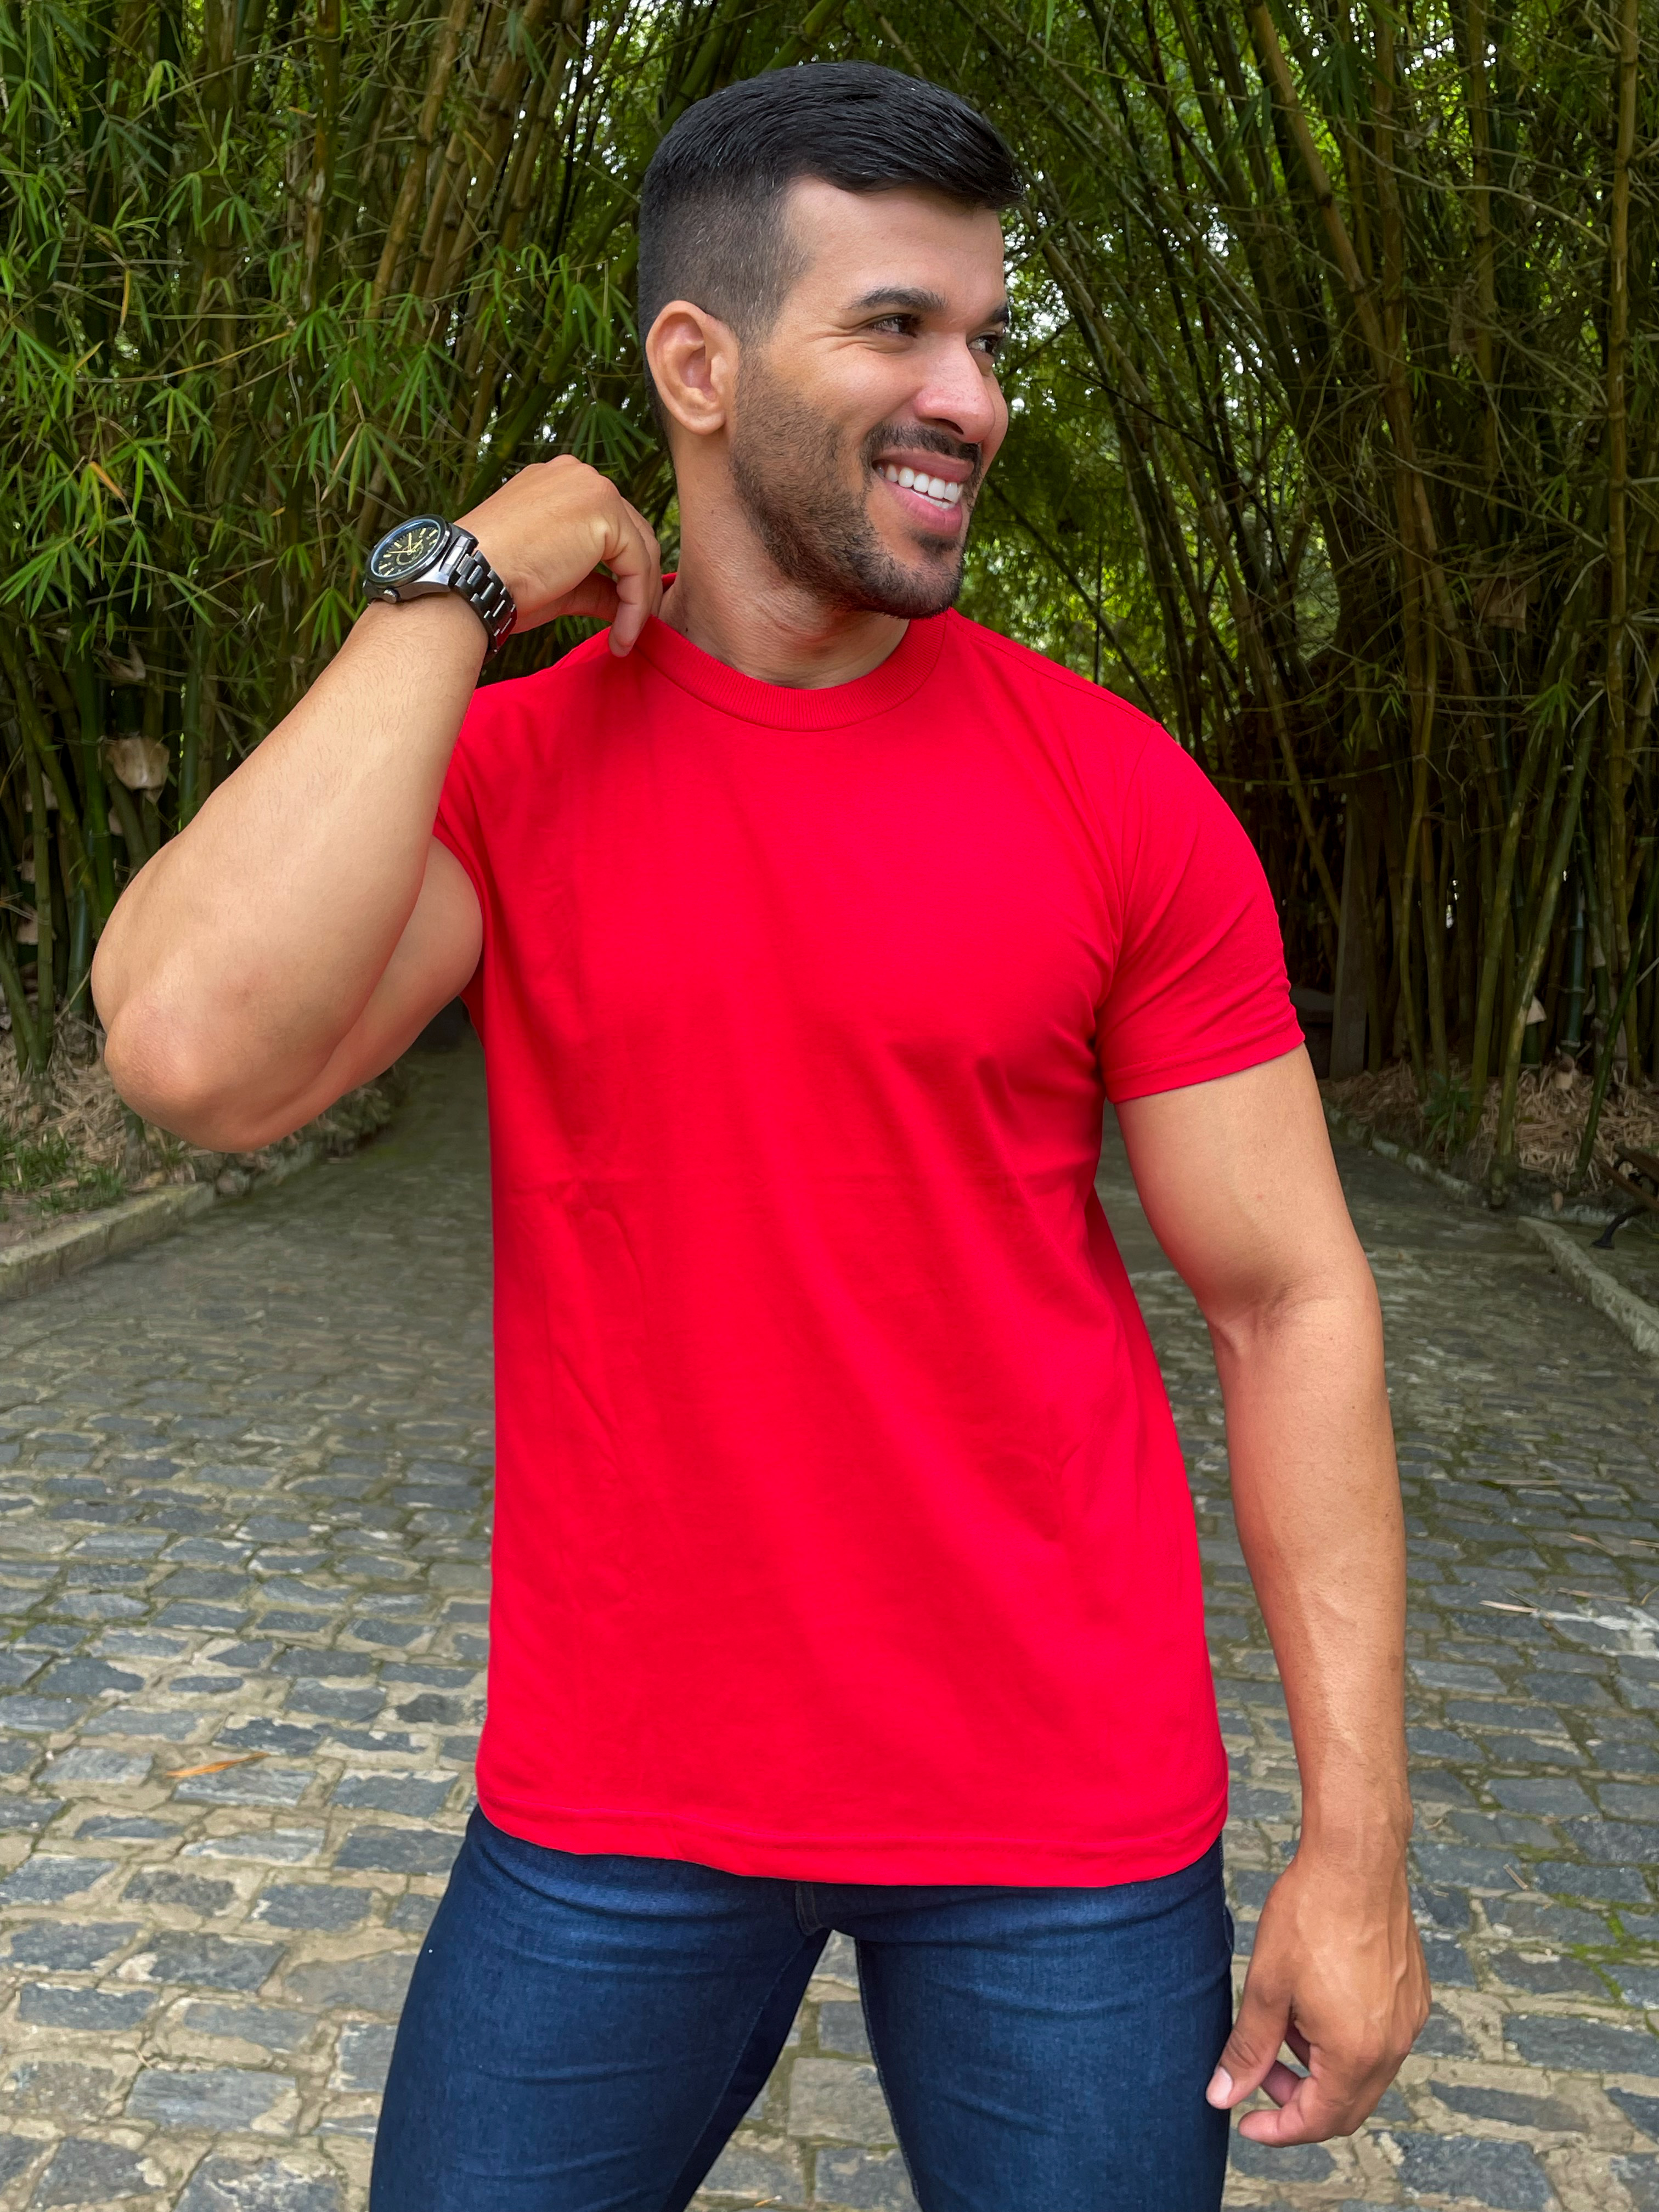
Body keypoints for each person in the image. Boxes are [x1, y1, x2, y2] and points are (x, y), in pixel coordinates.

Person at [93, 59, 1428, 2212]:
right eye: (900, 328)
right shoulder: (517, 774)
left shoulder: (1115, 795)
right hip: (615, 1804)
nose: (975, 396)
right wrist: (449, 585)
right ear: (695, 369)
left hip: (1059, 1829)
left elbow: (1288, 1301)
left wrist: (1356, 1854)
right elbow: (186, 1044)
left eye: (988, 338)